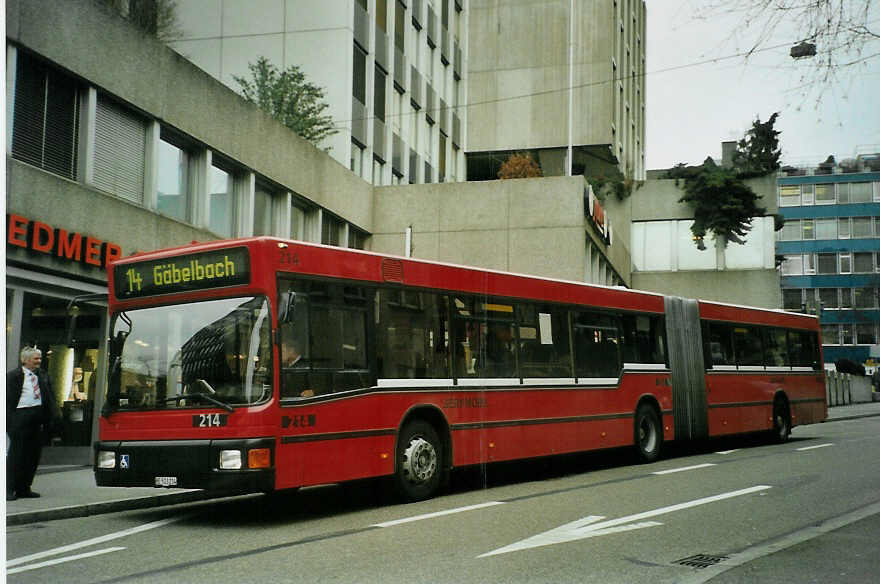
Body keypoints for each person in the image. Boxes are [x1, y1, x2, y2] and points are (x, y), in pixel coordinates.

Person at [6, 347, 61, 501]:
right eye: (35, 359)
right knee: (16, 455)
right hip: (20, 417)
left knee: (32, 455)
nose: (39, 361)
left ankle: (24, 487)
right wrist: (9, 422)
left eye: (40, 358)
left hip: (37, 418)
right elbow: (7, 401)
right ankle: (8, 488)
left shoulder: (42, 376)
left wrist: (52, 417)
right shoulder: (13, 377)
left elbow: (50, 396)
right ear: (25, 360)